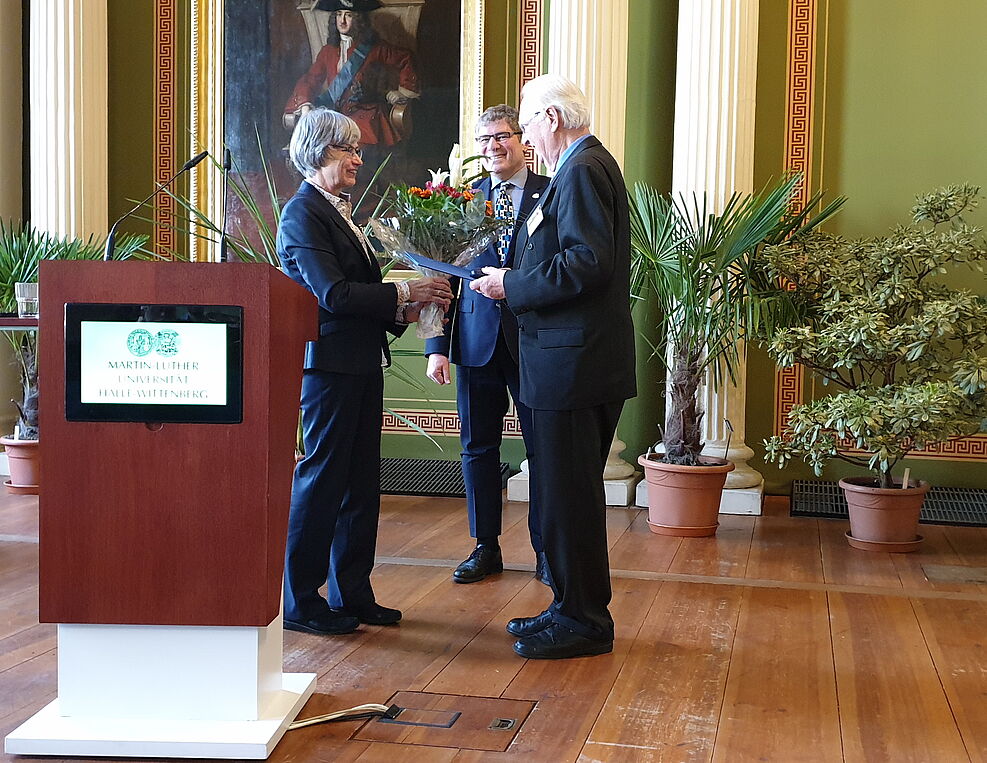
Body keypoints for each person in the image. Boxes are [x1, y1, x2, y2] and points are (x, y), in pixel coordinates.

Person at [470, 75, 636, 660]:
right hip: (566, 360)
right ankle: (570, 606)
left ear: (551, 118)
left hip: (574, 365)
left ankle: (585, 620)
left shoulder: (582, 168)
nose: (527, 134)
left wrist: (509, 283)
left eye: (529, 122)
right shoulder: (578, 166)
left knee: (571, 497)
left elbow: (588, 262)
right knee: (565, 496)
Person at [277, 107, 453, 636]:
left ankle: (353, 593)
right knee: (322, 480)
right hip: (328, 369)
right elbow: (332, 294)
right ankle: (303, 601)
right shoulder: (302, 214)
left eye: (357, 149)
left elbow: (356, 299)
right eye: (346, 150)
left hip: (359, 362)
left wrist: (406, 309)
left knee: (359, 484)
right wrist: (405, 290)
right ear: (316, 152)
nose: (358, 158)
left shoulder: (340, 211)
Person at [424, 105, 551, 586]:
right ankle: (485, 546)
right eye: (483, 140)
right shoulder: (459, 203)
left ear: (523, 141)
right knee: (478, 448)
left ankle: (545, 548)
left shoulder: (551, 193)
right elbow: (438, 276)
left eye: (502, 136)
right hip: (476, 342)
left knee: (542, 450)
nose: (493, 147)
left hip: (534, 342)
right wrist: (437, 345)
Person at [284, 0, 418, 151]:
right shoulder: (328, 51)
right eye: (339, 15)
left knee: (352, 149)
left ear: (358, 19)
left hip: (366, 113)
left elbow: (405, 58)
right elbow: (311, 79)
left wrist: (401, 92)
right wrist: (305, 105)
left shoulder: (375, 48)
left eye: (348, 15)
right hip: (334, 114)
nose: (342, 21)